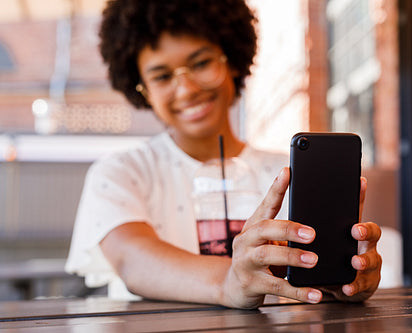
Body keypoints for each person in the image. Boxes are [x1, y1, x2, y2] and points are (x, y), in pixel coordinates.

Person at [65, 0, 382, 309]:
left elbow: (318, 281)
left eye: (201, 63)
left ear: (231, 59)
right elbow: (132, 261)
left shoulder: (289, 173)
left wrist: (343, 284)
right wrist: (229, 282)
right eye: (162, 76)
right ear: (141, 87)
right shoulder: (121, 172)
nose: (186, 89)